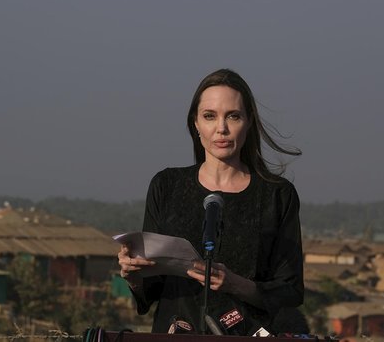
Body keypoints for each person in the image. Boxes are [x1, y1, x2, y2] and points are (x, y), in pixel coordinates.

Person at [118, 68, 305, 335]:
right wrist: (134, 276)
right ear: (195, 123)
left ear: (249, 122)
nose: (222, 128)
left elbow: (290, 292)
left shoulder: (277, 194)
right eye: (209, 116)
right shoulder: (166, 185)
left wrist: (235, 283)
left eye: (234, 116)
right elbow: (153, 291)